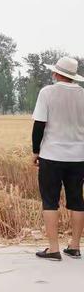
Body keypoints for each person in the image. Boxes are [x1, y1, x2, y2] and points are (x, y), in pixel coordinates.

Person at [32, 56, 84, 261]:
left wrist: (36, 151)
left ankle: (53, 249)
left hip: (52, 155)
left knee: (50, 201)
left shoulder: (47, 92)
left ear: (56, 73)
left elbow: (39, 126)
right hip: (79, 156)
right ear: (73, 77)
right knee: (77, 200)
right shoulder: (83, 94)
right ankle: (75, 246)